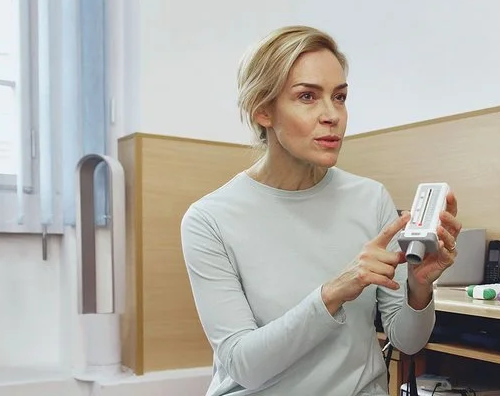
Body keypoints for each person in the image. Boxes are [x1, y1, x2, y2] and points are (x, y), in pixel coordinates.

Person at [181, 25, 463, 396]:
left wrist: (420, 287)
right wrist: (333, 293)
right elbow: (244, 365)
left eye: (340, 97)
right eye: (307, 97)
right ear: (263, 110)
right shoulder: (209, 220)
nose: (332, 115)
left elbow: (407, 342)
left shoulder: (371, 198)